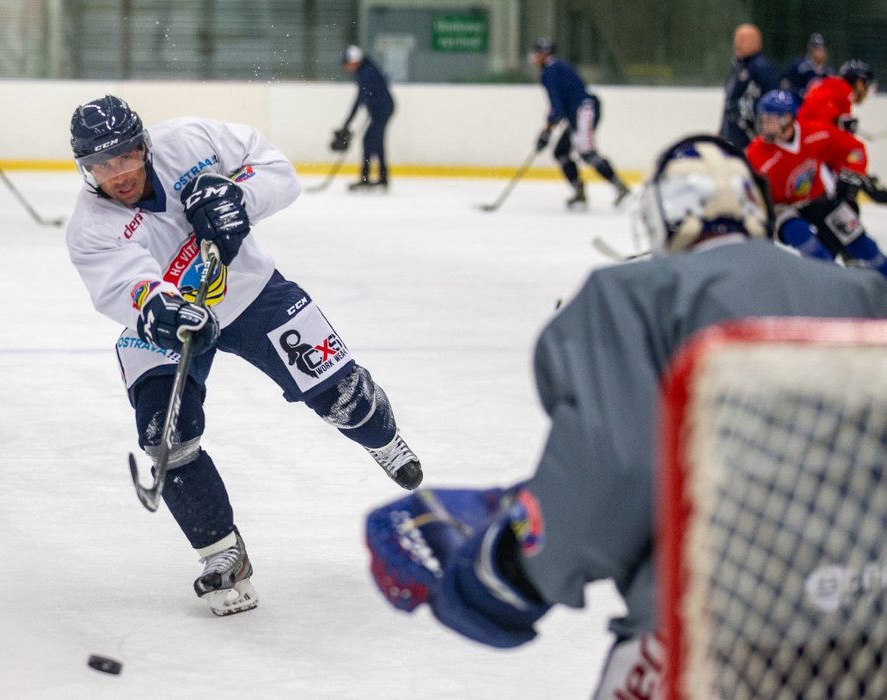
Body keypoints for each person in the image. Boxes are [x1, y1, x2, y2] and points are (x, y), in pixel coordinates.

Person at [364, 134, 887, 697]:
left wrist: (502, 568)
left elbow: (618, 471)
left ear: (662, 215)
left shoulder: (635, 295)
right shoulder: (863, 294)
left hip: (720, 640)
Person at [65, 95, 423, 616]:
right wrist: (161, 309)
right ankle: (221, 554)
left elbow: (280, 172)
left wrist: (237, 196)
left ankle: (384, 439)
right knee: (166, 435)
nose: (116, 173)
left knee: (346, 399)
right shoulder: (90, 227)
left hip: (254, 291)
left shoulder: (189, 140)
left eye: (124, 156)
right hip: (170, 324)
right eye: (100, 164)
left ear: (144, 145)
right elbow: (126, 287)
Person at [747, 89, 887, 276]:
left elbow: (854, 149)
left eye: (770, 120)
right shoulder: (756, 153)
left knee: (864, 246)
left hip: (819, 199)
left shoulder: (815, 132)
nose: (764, 126)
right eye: (763, 119)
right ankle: (836, 285)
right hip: (782, 208)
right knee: (806, 240)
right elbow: (744, 185)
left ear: (788, 118)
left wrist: (853, 172)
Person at [529, 38, 630, 210]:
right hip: (578, 113)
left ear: (545, 54)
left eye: (537, 53)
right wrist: (550, 127)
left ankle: (619, 186)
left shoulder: (549, 72)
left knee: (587, 153)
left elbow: (557, 106)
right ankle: (579, 191)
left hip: (583, 112)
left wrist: (547, 131)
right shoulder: (559, 67)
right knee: (561, 151)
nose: (534, 57)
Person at [337, 45, 395, 191]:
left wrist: (347, 123)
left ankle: (366, 178)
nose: (345, 67)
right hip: (380, 109)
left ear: (354, 61)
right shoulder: (365, 70)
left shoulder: (365, 73)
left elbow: (360, 100)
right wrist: (348, 123)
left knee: (369, 141)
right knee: (376, 141)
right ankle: (383, 178)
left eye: (346, 63)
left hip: (381, 110)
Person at [719, 23, 777, 149]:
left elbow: (772, 99)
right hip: (733, 133)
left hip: (751, 135)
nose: (738, 45)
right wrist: (722, 130)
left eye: (743, 40)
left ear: (757, 42)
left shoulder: (761, 67)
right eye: (737, 40)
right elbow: (729, 100)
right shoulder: (737, 66)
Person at [798, 59, 875, 134]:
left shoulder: (833, 85)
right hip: (811, 133)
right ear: (859, 82)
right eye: (866, 83)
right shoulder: (845, 91)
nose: (866, 90)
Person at [780, 32, 834, 97]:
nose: (820, 52)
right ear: (810, 49)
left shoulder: (829, 71)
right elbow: (785, 83)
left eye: (822, 49)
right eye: (816, 49)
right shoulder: (799, 66)